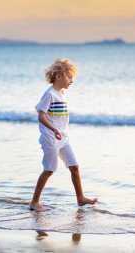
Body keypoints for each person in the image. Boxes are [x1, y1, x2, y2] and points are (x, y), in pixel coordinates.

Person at [29, 59, 98, 212]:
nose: (71, 81)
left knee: (74, 166)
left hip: (64, 138)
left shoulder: (62, 93)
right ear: (59, 76)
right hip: (51, 138)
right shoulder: (50, 94)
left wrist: (60, 131)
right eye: (69, 77)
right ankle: (34, 202)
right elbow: (41, 115)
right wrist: (54, 129)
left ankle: (80, 198)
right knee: (49, 170)